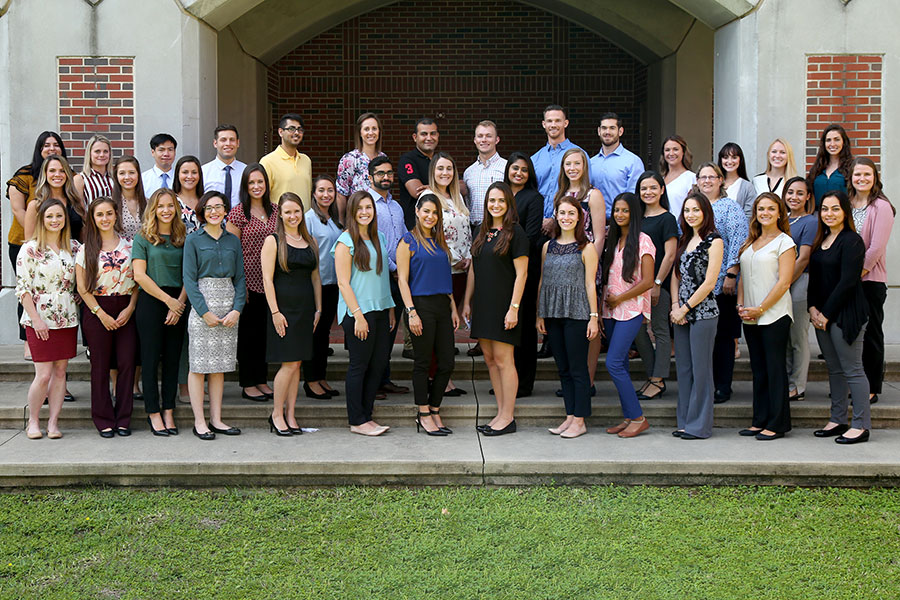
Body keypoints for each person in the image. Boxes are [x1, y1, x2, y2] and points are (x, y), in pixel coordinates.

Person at [462, 182, 529, 437]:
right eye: (492, 200)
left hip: (504, 305)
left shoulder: (516, 233)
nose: (496, 205)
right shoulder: (481, 230)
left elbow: (521, 275)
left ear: (508, 204)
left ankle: (508, 416)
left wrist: (513, 309)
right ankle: (500, 412)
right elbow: (474, 271)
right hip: (483, 304)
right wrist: (467, 301)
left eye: (501, 200)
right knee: (490, 360)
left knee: (504, 360)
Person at [808, 190, 870, 444]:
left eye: (835, 209)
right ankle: (838, 419)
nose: (829, 214)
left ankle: (861, 425)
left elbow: (847, 282)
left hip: (846, 314)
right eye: (825, 209)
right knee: (834, 370)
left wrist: (826, 314)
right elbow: (815, 280)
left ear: (845, 211)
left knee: (852, 369)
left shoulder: (852, 241)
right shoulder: (820, 241)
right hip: (821, 315)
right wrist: (812, 308)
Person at [183, 191, 246, 440]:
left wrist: (237, 309)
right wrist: (204, 312)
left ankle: (217, 419)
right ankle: (199, 421)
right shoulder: (194, 240)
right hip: (203, 305)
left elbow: (240, 278)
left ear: (225, 210)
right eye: (209, 208)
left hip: (228, 304)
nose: (214, 212)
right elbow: (189, 279)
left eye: (218, 207)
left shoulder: (232, 240)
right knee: (199, 367)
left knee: (219, 367)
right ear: (202, 212)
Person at [16, 199, 80, 439]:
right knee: (43, 374)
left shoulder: (74, 247)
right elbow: (22, 289)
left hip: (67, 318)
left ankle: (53, 423)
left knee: (61, 372)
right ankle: (33, 421)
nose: (55, 220)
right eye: (50, 216)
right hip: (38, 318)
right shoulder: (30, 248)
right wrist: (36, 319)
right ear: (42, 220)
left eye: (59, 216)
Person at [333, 191, 395, 436]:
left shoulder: (379, 237)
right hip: (358, 313)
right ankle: (356, 420)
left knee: (378, 364)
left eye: (369, 207)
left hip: (380, 311)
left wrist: (390, 308)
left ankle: (367, 416)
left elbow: (382, 278)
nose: (365, 212)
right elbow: (343, 283)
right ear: (352, 212)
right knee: (359, 365)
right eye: (360, 208)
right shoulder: (345, 241)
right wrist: (357, 315)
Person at [76, 197, 138, 438]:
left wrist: (131, 308)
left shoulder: (130, 246)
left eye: (109, 214)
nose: (105, 218)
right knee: (100, 366)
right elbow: (82, 288)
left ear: (116, 216)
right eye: (99, 214)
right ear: (93, 218)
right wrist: (100, 314)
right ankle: (103, 419)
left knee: (126, 363)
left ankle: (123, 418)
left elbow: (137, 282)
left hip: (125, 307)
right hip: (96, 309)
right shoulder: (85, 249)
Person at [396, 194, 459, 436]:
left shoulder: (440, 241)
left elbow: (446, 276)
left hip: (443, 305)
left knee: (446, 362)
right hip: (420, 306)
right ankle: (423, 413)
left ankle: (434, 408)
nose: (430, 216)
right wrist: (411, 312)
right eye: (426, 212)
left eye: (435, 213)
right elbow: (402, 280)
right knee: (423, 362)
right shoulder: (407, 242)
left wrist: (453, 307)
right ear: (417, 212)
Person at [537, 198, 600, 438]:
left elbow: (590, 284)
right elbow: (544, 281)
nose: (566, 217)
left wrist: (593, 317)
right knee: (562, 368)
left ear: (579, 217)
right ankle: (570, 416)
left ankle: (581, 420)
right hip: (552, 313)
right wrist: (539, 314)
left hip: (577, 313)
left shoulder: (587, 247)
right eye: (562, 213)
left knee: (577, 369)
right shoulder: (548, 247)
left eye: (571, 213)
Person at [736, 192, 796, 440]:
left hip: (774, 314)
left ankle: (777, 423)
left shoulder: (785, 243)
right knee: (759, 370)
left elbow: (784, 283)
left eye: (771, 209)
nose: (765, 213)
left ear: (780, 212)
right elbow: (743, 277)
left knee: (774, 369)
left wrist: (761, 308)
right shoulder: (751, 242)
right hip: (750, 315)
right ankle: (759, 420)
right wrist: (741, 305)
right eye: (761, 209)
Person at [261, 192, 321, 436]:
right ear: (281, 214)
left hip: (306, 309)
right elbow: (267, 279)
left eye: (296, 211)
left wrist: (319, 308)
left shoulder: (310, 241)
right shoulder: (273, 241)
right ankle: (276, 414)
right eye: (288, 212)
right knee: (288, 364)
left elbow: (315, 277)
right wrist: (275, 312)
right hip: (283, 310)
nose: (293, 216)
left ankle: (291, 414)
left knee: (297, 364)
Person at [6, 131, 68, 359]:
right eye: (46, 145)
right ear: (39, 149)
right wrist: (43, 239)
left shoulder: (69, 182)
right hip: (27, 244)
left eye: (56, 145)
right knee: (29, 293)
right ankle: (29, 342)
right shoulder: (24, 176)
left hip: (62, 251)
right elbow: (18, 210)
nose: (51, 148)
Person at [132, 188, 188, 436]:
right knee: (151, 358)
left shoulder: (183, 235)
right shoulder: (143, 237)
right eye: (160, 206)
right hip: (153, 301)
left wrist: (179, 303)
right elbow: (139, 276)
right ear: (152, 209)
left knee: (173, 359)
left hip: (179, 301)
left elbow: (190, 274)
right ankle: (153, 412)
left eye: (170, 206)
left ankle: (168, 409)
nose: (166, 210)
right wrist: (168, 301)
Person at [601, 192, 655, 438]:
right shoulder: (613, 239)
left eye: (625, 210)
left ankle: (638, 417)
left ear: (634, 213)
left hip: (631, 309)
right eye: (616, 210)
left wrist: (620, 298)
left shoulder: (643, 241)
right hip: (610, 310)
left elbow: (648, 282)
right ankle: (628, 417)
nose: (620, 215)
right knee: (619, 363)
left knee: (612, 362)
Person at [670, 191, 724, 440]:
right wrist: (674, 307)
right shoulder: (683, 240)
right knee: (684, 369)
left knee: (702, 370)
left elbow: (710, 282)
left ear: (705, 213)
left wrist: (685, 308)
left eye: (696, 210)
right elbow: (675, 277)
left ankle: (699, 426)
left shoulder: (714, 241)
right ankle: (684, 422)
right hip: (680, 315)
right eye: (687, 211)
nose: (691, 215)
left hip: (702, 313)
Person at [695, 162, 749, 404]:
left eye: (711, 177)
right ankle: (704, 384)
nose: (707, 181)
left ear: (720, 181)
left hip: (721, 285)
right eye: (702, 177)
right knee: (702, 339)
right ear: (697, 182)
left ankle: (723, 386)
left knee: (723, 338)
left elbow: (739, 239)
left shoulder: (730, 208)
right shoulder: (694, 208)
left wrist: (731, 273)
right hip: (695, 286)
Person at [554, 147, 605, 391]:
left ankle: (589, 378)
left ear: (584, 167)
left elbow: (599, 235)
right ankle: (573, 379)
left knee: (589, 318)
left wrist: (590, 264)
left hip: (586, 264)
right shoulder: (560, 194)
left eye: (577, 163)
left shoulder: (593, 195)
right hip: (563, 267)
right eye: (568, 164)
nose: (572, 168)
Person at [225, 164, 278, 402]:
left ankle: (261, 380)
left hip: (273, 283)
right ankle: (248, 383)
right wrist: (239, 285)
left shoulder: (276, 210)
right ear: (245, 187)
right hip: (248, 283)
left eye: (260, 182)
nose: (256, 187)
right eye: (251, 183)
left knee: (265, 335)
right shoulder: (238, 213)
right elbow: (231, 252)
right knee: (249, 336)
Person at [848, 157, 895, 405]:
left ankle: (871, 386)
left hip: (870, 282)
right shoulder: (846, 204)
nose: (862, 179)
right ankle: (854, 383)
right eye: (857, 175)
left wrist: (855, 275)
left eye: (867, 174)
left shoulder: (881, 206)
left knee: (871, 334)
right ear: (851, 178)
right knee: (851, 335)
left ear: (875, 177)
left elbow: (876, 248)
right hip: (847, 282)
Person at [423, 152, 471, 392]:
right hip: (440, 271)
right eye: (440, 168)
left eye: (449, 169)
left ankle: (443, 377)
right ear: (432, 172)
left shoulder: (457, 198)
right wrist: (452, 258)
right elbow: (427, 236)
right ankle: (437, 378)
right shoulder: (428, 197)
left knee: (448, 326)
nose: (445, 173)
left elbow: (466, 232)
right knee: (439, 326)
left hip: (460, 272)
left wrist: (469, 257)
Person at [632, 171, 678, 400]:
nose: (648, 192)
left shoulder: (667, 219)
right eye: (643, 189)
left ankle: (658, 381)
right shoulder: (636, 218)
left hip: (659, 284)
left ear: (661, 190)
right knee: (637, 331)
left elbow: (670, 255)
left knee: (659, 330)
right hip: (635, 287)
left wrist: (657, 283)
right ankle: (652, 375)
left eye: (652, 188)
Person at [368, 156, 410, 396]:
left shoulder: (396, 206)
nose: (386, 177)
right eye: (381, 173)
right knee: (377, 333)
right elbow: (373, 242)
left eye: (389, 173)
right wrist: (396, 269)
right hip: (378, 277)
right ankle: (371, 384)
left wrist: (407, 264)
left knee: (389, 333)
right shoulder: (367, 204)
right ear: (371, 176)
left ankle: (384, 379)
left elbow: (404, 238)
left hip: (397, 277)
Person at [503, 152, 544, 397]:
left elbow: (530, 236)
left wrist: (506, 252)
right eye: (515, 168)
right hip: (501, 270)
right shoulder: (501, 195)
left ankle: (524, 382)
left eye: (524, 170)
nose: (518, 173)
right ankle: (507, 379)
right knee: (506, 325)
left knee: (525, 326)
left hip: (524, 267)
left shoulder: (534, 198)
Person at [303, 175, 343, 399]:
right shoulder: (309, 219)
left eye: (330, 190)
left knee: (324, 334)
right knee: (315, 334)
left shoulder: (335, 219)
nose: (326, 194)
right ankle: (310, 381)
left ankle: (321, 376)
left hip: (334, 284)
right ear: (314, 193)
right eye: (321, 190)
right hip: (316, 285)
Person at [172, 155, 205, 401]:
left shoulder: (206, 203)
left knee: (198, 333)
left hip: (203, 274)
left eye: (194, 172)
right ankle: (182, 385)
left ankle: (195, 382)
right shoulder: (170, 202)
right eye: (185, 172)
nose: (190, 176)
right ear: (178, 175)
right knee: (181, 335)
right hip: (176, 271)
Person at [783, 177, 817, 401]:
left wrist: (784, 284)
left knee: (797, 337)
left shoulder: (810, 222)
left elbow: (803, 258)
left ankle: (799, 385)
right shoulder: (782, 219)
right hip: (781, 284)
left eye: (799, 193)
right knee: (784, 337)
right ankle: (787, 382)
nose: (794, 197)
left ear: (807, 197)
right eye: (790, 192)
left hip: (799, 283)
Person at [532, 105, 586, 234]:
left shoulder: (579, 155)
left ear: (565, 123)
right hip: (538, 224)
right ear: (544, 124)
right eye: (549, 121)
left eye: (558, 121)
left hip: (568, 223)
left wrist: (554, 218)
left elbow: (584, 189)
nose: (553, 124)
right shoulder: (535, 159)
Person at [589, 112, 645, 218]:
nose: (607, 132)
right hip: (593, 222)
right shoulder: (591, 163)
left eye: (612, 128)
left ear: (620, 131)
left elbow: (633, 198)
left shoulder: (632, 161)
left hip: (620, 221)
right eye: (604, 128)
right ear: (599, 131)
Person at [336, 112, 387, 221]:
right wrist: (341, 222)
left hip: (381, 218)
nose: (371, 132)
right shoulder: (350, 159)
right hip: (358, 217)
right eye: (366, 129)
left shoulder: (383, 158)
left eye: (374, 128)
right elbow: (341, 194)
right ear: (360, 132)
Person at [24, 155, 85, 243]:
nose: (57, 175)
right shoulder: (35, 205)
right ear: (45, 174)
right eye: (52, 171)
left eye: (62, 171)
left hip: (74, 254)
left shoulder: (75, 202)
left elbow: (82, 236)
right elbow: (29, 243)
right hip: (46, 255)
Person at [259, 113, 312, 210]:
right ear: (280, 132)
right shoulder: (267, 161)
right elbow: (262, 198)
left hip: (305, 222)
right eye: (291, 129)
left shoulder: (306, 160)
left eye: (300, 130)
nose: (296, 133)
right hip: (279, 222)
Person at [463, 120, 507, 230]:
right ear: (475, 140)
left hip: (500, 228)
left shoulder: (507, 167)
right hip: (474, 229)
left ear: (497, 140)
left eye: (488, 136)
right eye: (480, 136)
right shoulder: (469, 172)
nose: (484, 140)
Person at [397, 118, 439, 229]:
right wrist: (447, 189)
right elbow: (417, 191)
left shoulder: (441, 160)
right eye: (424, 134)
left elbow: (462, 187)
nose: (429, 138)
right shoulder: (407, 160)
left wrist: (431, 188)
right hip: (416, 228)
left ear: (437, 136)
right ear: (415, 137)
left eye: (432, 134)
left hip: (440, 227)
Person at [807, 124, 853, 210]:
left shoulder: (851, 168)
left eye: (837, 140)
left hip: (842, 215)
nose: (832, 144)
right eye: (828, 140)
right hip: (818, 216)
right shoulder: (817, 168)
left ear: (843, 142)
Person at [202, 124, 246, 207]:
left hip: (240, 219)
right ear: (215, 143)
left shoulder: (246, 171)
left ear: (238, 143)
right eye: (223, 140)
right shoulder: (203, 172)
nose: (228, 143)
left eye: (232, 140)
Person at [111, 155, 147, 241]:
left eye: (131, 172)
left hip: (144, 253)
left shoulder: (148, 203)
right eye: (122, 173)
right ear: (116, 176)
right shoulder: (110, 204)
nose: (127, 177)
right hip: (120, 252)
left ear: (138, 174)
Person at [659, 134, 696, 218]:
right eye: (667, 150)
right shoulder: (661, 179)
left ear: (683, 152)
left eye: (675, 149)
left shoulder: (691, 178)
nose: (671, 153)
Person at [717, 142, 756, 218]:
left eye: (734, 157)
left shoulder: (747, 187)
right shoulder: (714, 183)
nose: (730, 161)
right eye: (725, 157)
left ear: (740, 160)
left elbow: (749, 216)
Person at [73, 134, 114, 204]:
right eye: (97, 151)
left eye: (105, 151)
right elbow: (79, 210)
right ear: (89, 153)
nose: (102, 155)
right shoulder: (80, 179)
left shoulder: (115, 177)